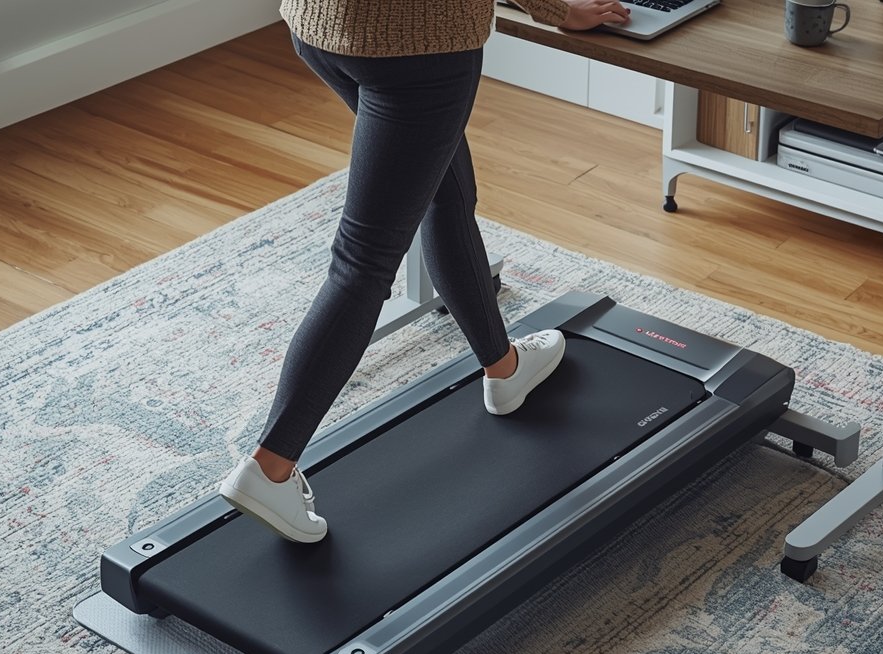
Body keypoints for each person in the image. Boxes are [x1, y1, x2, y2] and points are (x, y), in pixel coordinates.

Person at [218, 0, 633, 543]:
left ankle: (503, 370)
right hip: (417, 43)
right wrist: (557, 10)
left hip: (321, 27)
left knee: (444, 192)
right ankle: (269, 467)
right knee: (363, 262)